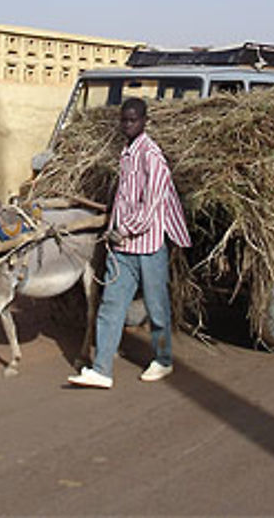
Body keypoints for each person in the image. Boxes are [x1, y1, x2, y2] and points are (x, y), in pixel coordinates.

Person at [68, 97, 191, 389]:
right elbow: (123, 200)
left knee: (157, 306)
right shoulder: (126, 154)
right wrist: (114, 232)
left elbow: (153, 203)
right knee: (111, 306)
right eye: (124, 120)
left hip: (148, 247)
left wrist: (126, 229)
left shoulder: (152, 156)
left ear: (144, 121)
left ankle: (163, 359)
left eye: (133, 120)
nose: (127, 125)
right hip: (121, 250)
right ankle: (101, 369)